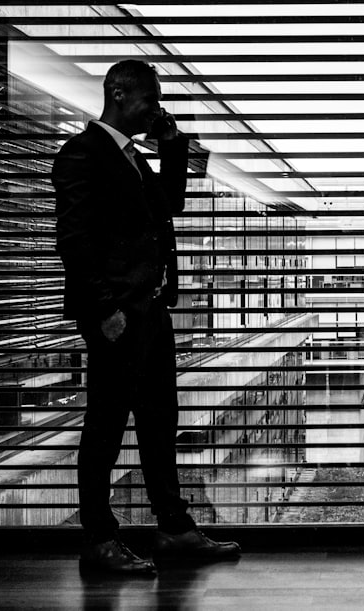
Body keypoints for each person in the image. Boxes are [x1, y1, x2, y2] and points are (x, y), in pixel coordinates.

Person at [52, 59, 239, 576]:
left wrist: (172, 138)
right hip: (117, 318)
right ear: (118, 92)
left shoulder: (134, 158)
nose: (155, 109)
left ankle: (173, 527)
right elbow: (74, 240)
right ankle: (98, 539)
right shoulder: (82, 154)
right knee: (106, 428)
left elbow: (172, 203)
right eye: (150, 100)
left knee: (160, 423)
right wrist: (105, 310)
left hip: (151, 313)